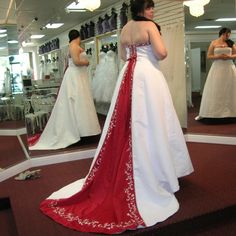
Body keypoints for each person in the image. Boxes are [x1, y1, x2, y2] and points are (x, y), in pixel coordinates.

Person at [40, 1, 194, 234]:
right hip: (147, 75)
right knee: (153, 121)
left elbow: (123, 55)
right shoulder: (150, 26)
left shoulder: (125, 29)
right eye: (150, 7)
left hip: (128, 74)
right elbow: (161, 53)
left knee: (126, 123)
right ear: (143, 9)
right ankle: (157, 171)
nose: (152, 11)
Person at [29, 29, 101, 150]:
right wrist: (86, 62)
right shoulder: (74, 46)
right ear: (78, 36)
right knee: (77, 102)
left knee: (82, 103)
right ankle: (80, 132)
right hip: (76, 76)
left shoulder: (74, 45)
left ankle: (87, 131)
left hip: (79, 76)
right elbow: (77, 61)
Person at [196, 27, 236, 120]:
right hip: (217, 67)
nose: (228, 36)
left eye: (229, 34)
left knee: (230, 88)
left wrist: (229, 57)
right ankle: (214, 113)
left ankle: (231, 112)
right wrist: (218, 56)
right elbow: (209, 56)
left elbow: (235, 54)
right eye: (226, 34)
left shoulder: (231, 43)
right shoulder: (214, 43)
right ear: (222, 33)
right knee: (216, 88)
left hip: (229, 67)